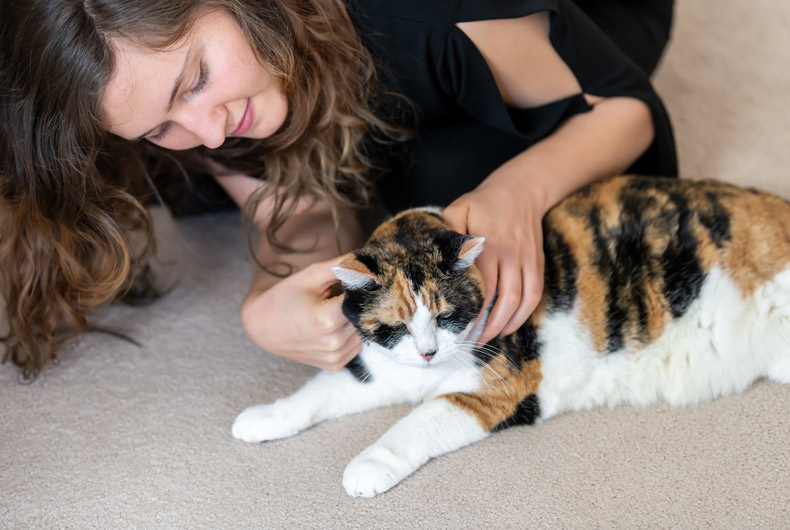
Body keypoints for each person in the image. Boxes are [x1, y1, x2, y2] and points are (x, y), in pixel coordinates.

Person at [0, 0, 677, 378]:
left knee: (452, 180)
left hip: (588, 19)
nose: (207, 132)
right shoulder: (207, 113)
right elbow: (295, 203)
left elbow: (627, 108)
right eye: (160, 126)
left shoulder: (437, 16)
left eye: (197, 79)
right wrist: (270, 299)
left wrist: (520, 192)